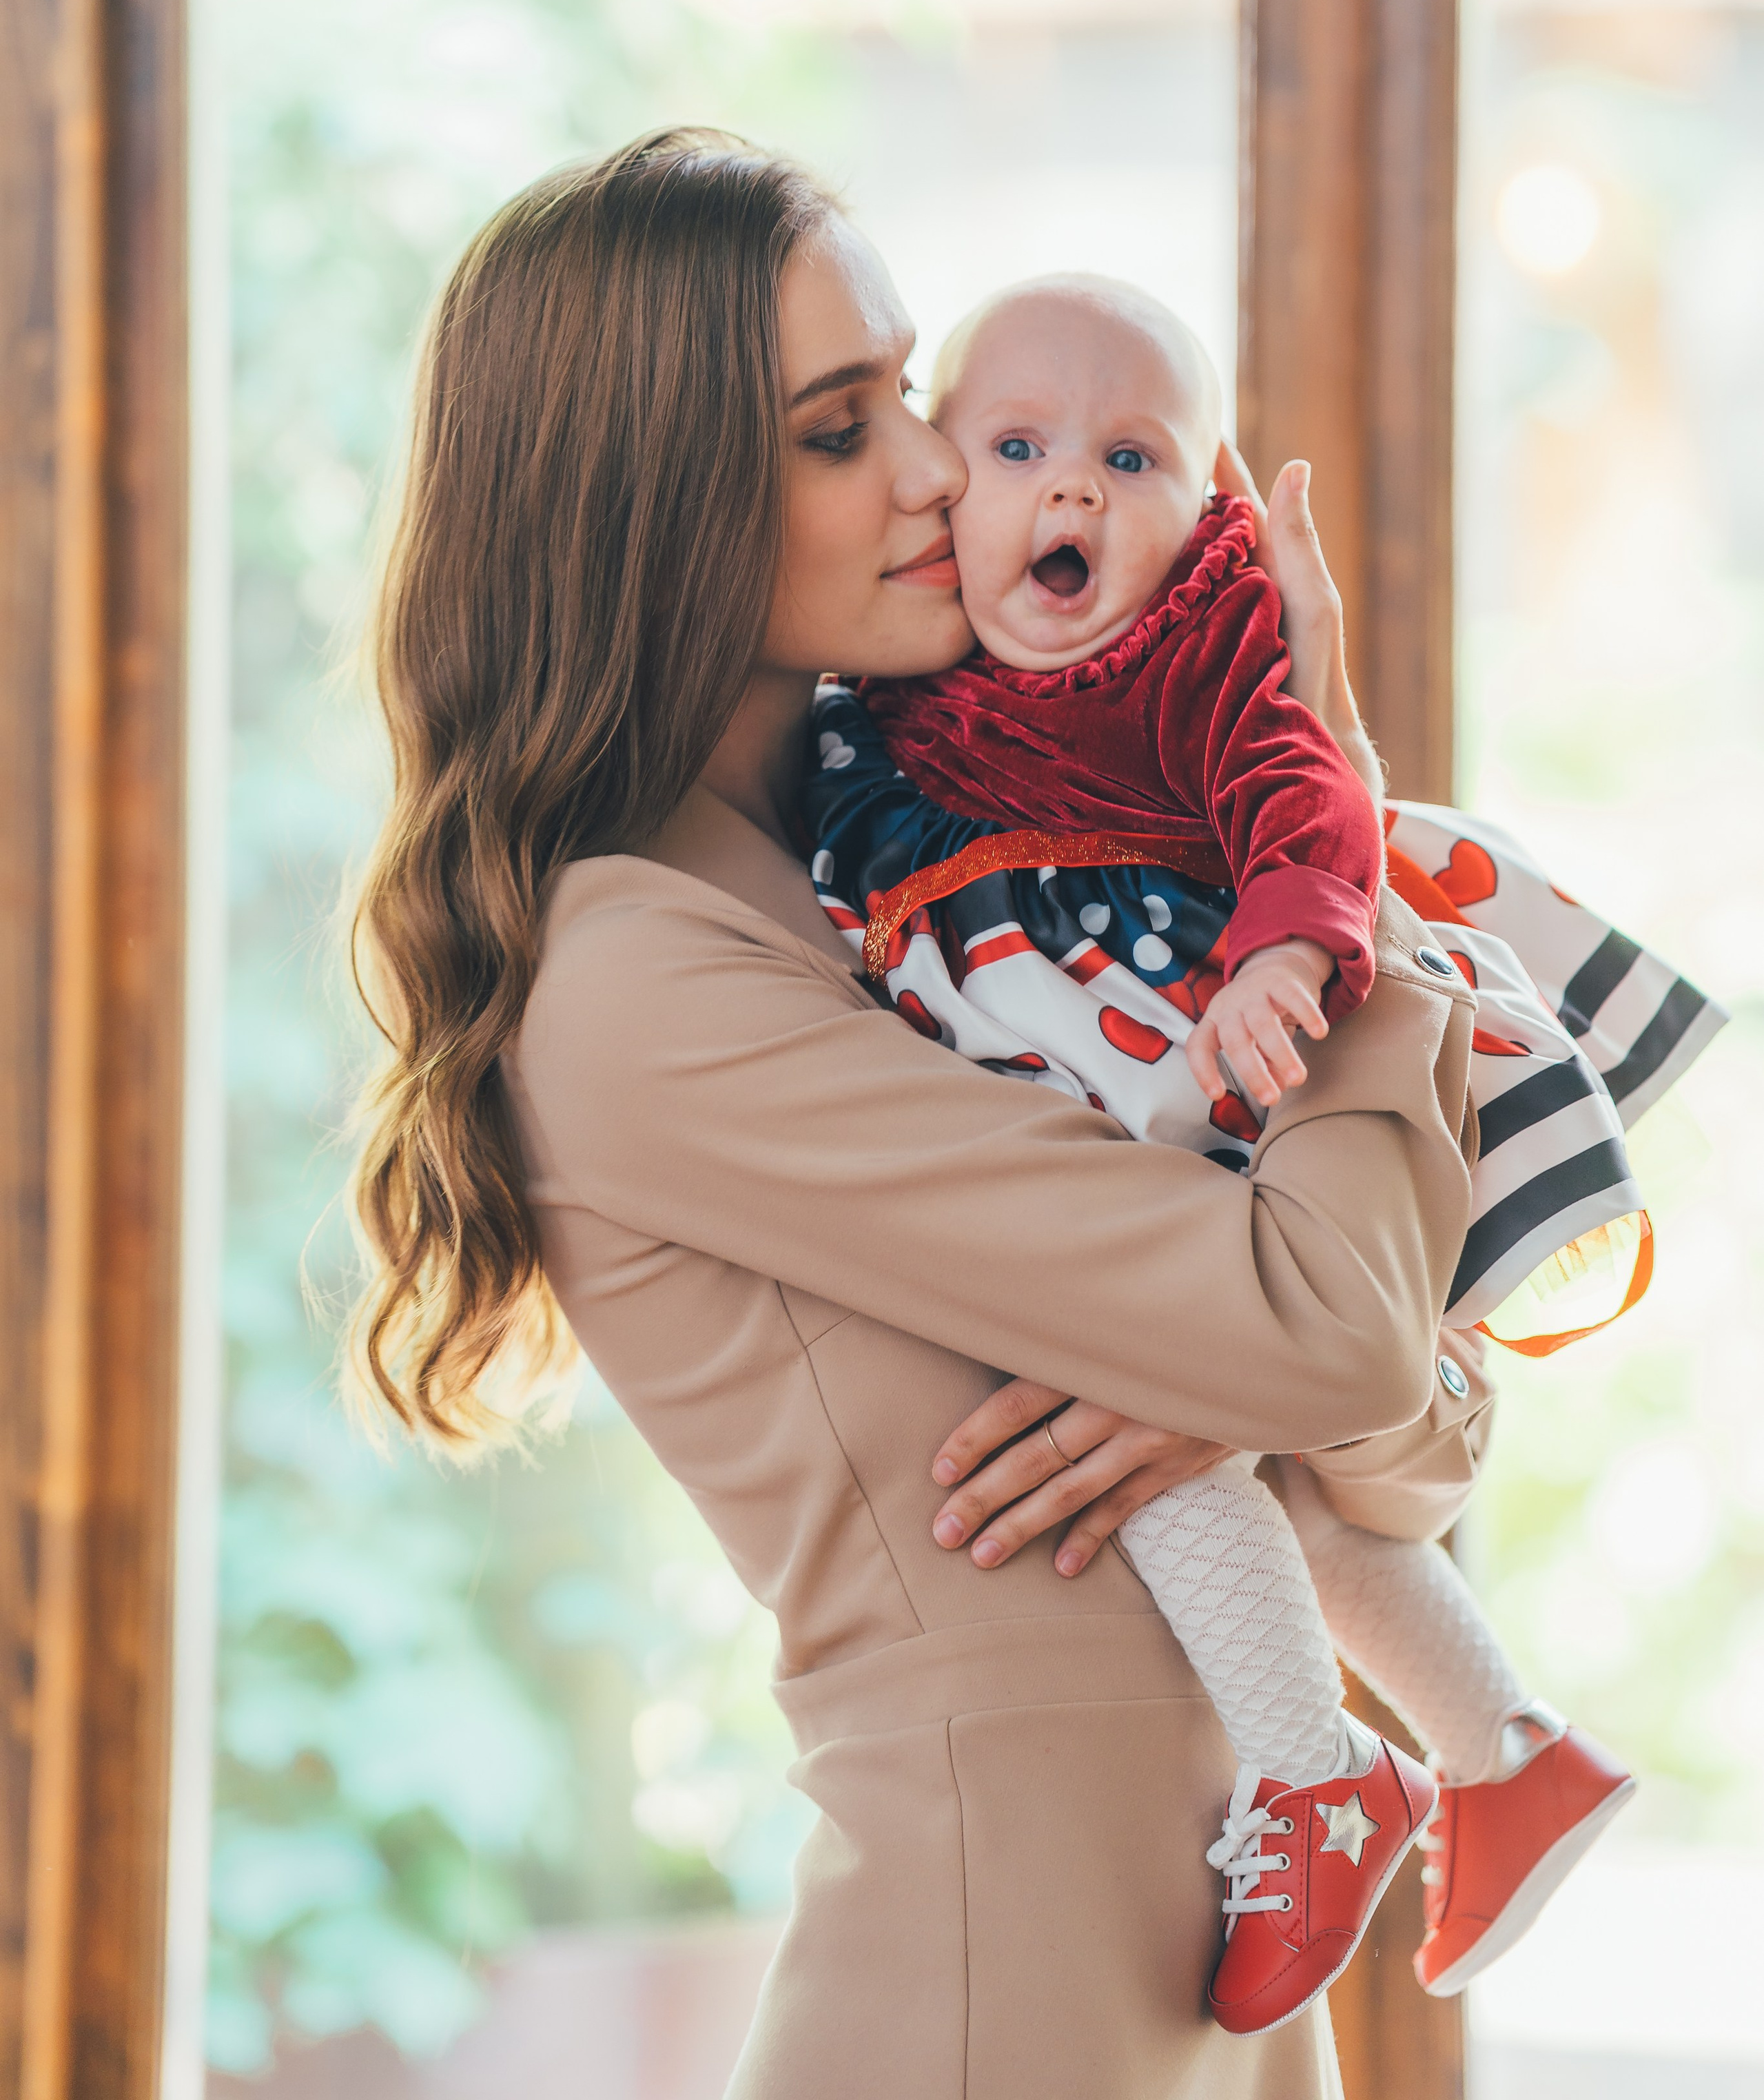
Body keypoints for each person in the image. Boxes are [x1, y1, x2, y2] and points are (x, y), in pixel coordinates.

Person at [347, 129, 1490, 2099]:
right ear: (657, 513)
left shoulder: (940, 903)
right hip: (991, 1993)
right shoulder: (636, 970)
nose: (949, 472)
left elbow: (1411, 1439)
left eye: (911, 397)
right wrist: (1344, 850)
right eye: (842, 426)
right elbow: (1345, 1331)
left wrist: (1253, 1372)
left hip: (1200, 1971)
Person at [803, 274, 1701, 2030]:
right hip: (1065, 1060)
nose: (1068, 493)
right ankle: (1499, 1748)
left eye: (1127, 460)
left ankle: (1312, 1775)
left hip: (1195, 1045)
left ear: (1202, 505)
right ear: (948, 487)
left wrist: (1286, 953)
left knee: (1153, 1412)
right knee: (1231, 1455)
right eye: (1015, 446)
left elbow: (1298, 788)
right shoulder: (902, 673)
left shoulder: (1197, 643)